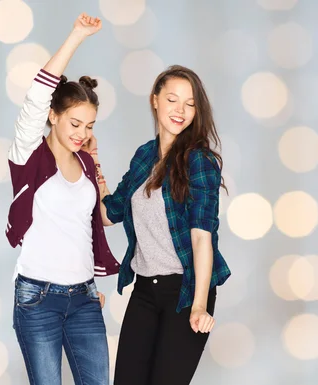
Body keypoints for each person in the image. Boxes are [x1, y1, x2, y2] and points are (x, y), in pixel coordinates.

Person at [86, 65, 231, 385]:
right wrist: (92, 160)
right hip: (144, 291)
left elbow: (201, 239)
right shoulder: (145, 156)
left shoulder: (200, 162)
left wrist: (199, 305)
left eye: (190, 103)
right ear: (155, 100)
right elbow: (109, 214)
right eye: (172, 99)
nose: (180, 110)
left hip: (185, 290)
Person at [4, 13, 119, 385]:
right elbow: (37, 95)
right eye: (74, 123)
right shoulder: (29, 155)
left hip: (85, 298)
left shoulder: (85, 161)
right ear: (53, 116)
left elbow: (104, 218)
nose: (81, 133)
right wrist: (77, 36)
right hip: (38, 298)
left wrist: (97, 160)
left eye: (89, 126)